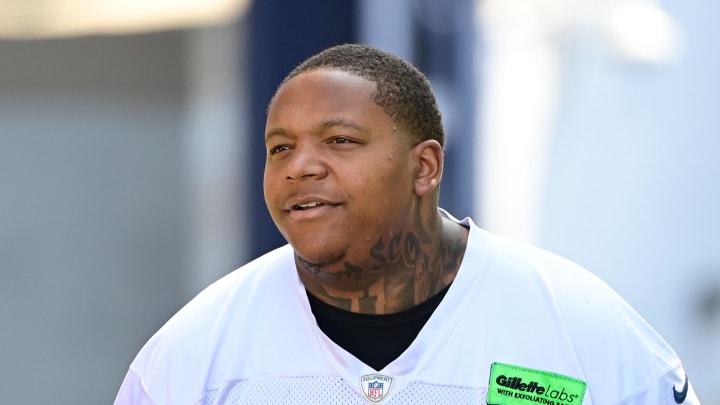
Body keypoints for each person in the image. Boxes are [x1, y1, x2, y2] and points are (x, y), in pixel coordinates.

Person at [115, 43, 700, 404]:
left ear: (424, 167)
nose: (301, 167)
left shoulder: (582, 332)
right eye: (279, 149)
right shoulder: (194, 357)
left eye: (339, 141)